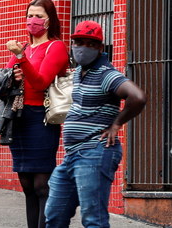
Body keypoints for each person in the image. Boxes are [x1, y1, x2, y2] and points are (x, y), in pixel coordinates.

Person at [44, 21, 146, 228]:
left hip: (94, 152)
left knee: (93, 219)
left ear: (101, 48)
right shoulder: (81, 71)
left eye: (90, 44)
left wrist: (116, 124)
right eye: (78, 42)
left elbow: (138, 97)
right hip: (72, 155)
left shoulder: (106, 74)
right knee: (54, 215)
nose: (82, 48)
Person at [4, 0, 69, 228]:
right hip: (19, 118)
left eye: (39, 16)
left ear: (49, 21)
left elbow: (41, 82)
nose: (33, 20)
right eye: (30, 15)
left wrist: (21, 60)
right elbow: (6, 78)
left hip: (41, 118)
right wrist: (12, 75)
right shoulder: (24, 48)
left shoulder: (56, 46)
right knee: (27, 185)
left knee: (42, 184)